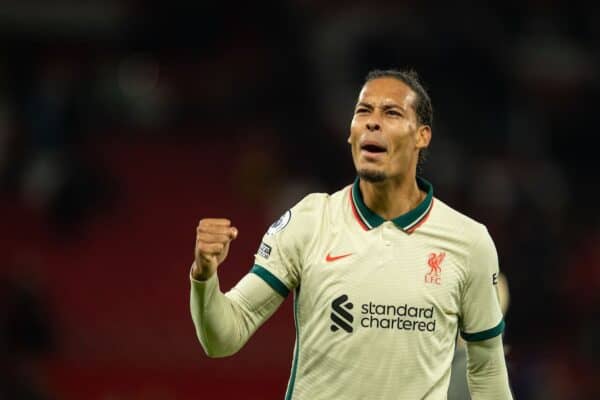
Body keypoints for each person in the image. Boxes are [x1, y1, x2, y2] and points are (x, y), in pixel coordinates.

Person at [189, 69, 513, 399]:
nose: (372, 122)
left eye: (391, 113)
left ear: (422, 136)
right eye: (363, 111)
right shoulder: (310, 221)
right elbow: (222, 338)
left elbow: (486, 367)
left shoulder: (469, 242)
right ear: (351, 133)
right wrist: (204, 278)